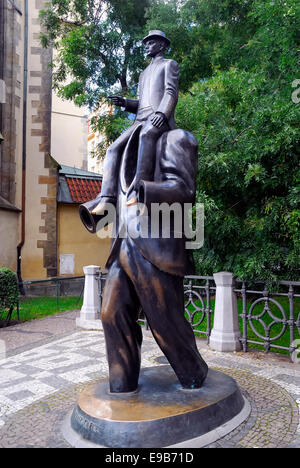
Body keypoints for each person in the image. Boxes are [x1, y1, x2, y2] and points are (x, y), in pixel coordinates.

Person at [92, 30, 179, 213]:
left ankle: (139, 192)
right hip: (140, 119)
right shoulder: (143, 74)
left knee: (146, 135)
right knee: (113, 149)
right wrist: (124, 102)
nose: (147, 45)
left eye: (151, 42)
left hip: (158, 119)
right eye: (146, 43)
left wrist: (162, 114)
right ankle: (107, 198)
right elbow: (140, 103)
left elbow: (171, 93)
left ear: (162, 45)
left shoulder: (169, 65)